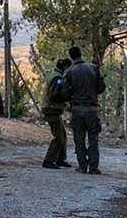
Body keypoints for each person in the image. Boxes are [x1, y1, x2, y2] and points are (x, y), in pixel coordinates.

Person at [62, 46, 106, 175]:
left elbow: (64, 93)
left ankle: (82, 165)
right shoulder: (93, 68)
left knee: (79, 138)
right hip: (92, 109)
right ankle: (93, 167)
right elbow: (101, 87)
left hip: (77, 109)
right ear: (80, 54)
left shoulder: (69, 71)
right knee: (93, 138)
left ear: (71, 56)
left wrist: (72, 93)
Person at [41, 58, 73, 170]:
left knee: (63, 135)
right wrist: (67, 97)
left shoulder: (55, 74)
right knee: (58, 136)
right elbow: (55, 95)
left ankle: (60, 159)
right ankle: (48, 160)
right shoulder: (57, 77)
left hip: (52, 109)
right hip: (51, 109)